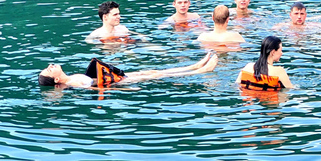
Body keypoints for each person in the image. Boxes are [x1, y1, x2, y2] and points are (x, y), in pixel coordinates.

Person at [38, 51, 218, 88]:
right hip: (119, 82)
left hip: (116, 78)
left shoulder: (70, 78)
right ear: (55, 80)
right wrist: (127, 89)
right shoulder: (73, 83)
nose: (50, 66)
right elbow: (96, 88)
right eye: (49, 70)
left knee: (152, 70)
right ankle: (201, 70)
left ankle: (194, 65)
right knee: (156, 75)